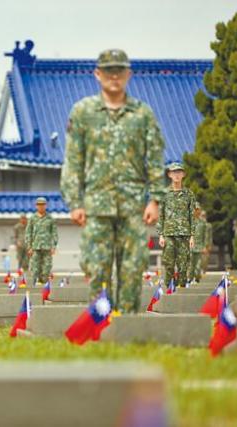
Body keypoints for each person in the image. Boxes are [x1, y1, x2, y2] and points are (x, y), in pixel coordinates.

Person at [61, 48, 165, 313]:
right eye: (109, 70)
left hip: (132, 207)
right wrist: (74, 202)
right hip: (97, 205)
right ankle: (100, 324)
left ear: (128, 74)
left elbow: (154, 158)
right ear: (98, 74)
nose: (114, 76)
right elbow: (74, 160)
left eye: (120, 70)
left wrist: (155, 200)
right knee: (97, 267)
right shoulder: (83, 112)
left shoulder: (142, 114)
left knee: (133, 269)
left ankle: (126, 327)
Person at [158, 163, 196, 287]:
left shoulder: (189, 194)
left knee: (183, 265)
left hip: (184, 234)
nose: (177, 175)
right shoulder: (164, 194)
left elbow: (192, 216)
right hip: (168, 234)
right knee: (168, 264)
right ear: (169, 175)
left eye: (179, 172)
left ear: (183, 175)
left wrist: (192, 235)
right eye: (174, 172)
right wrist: (161, 235)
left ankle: (181, 292)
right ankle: (167, 291)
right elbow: (161, 215)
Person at [25, 197, 58, 286]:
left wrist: (54, 246)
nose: (41, 207)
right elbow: (28, 233)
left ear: (46, 206)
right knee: (35, 269)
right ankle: (34, 287)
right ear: (36, 206)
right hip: (35, 247)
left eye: (43, 205)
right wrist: (29, 247)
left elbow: (54, 233)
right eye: (39, 205)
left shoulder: (50, 218)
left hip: (47, 247)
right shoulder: (32, 218)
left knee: (46, 268)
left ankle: (44, 287)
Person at [190, 203, 207, 282]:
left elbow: (205, 236)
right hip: (190, 247)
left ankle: (197, 279)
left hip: (199, 247)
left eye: (197, 209)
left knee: (198, 266)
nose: (196, 211)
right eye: (194, 209)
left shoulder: (203, 222)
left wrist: (205, 246)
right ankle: (189, 281)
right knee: (190, 266)